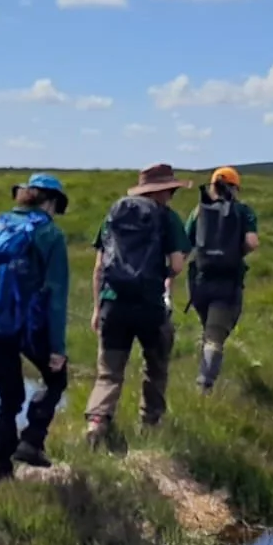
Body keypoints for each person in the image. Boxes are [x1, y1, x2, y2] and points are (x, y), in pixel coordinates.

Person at [0, 173, 72, 482]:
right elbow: (56, 296)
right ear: (50, 202)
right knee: (56, 379)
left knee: (9, 399)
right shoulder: (49, 234)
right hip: (28, 325)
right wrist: (57, 348)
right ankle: (32, 440)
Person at [84, 162, 191, 449]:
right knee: (155, 367)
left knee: (109, 371)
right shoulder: (168, 218)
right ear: (164, 191)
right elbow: (178, 264)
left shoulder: (113, 217)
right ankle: (150, 425)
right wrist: (162, 275)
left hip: (112, 305)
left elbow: (98, 268)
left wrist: (97, 309)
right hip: (149, 306)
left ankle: (97, 421)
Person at [188, 166, 262, 392]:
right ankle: (204, 388)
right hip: (227, 283)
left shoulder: (198, 212)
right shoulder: (244, 211)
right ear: (235, 188)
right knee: (215, 337)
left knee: (208, 329)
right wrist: (234, 253)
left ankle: (204, 375)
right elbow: (252, 242)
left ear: (212, 187)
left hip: (199, 282)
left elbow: (184, 243)